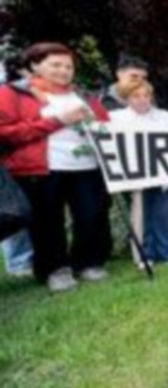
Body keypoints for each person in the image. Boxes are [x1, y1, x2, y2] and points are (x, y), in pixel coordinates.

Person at [0, 42, 111, 291]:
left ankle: (88, 262)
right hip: (40, 170)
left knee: (91, 215)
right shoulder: (13, 93)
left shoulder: (83, 95)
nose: (64, 71)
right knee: (47, 221)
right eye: (56, 65)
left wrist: (99, 126)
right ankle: (55, 269)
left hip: (86, 166)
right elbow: (4, 133)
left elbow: (106, 124)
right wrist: (56, 121)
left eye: (68, 66)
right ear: (35, 65)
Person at [110, 80, 168, 266]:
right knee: (141, 216)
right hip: (136, 176)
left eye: (146, 95)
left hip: (162, 174)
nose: (143, 100)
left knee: (163, 214)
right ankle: (146, 254)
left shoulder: (165, 116)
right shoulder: (115, 118)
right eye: (136, 96)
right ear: (127, 98)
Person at [99, 54, 150, 266]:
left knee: (144, 205)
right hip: (118, 165)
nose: (138, 81)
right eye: (134, 76)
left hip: (144, 162)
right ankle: (111, 253)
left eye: (143, 77)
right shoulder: (104, 101)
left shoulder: (146, 96)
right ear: (119, 74)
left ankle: (145, 248)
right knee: (108, 207)